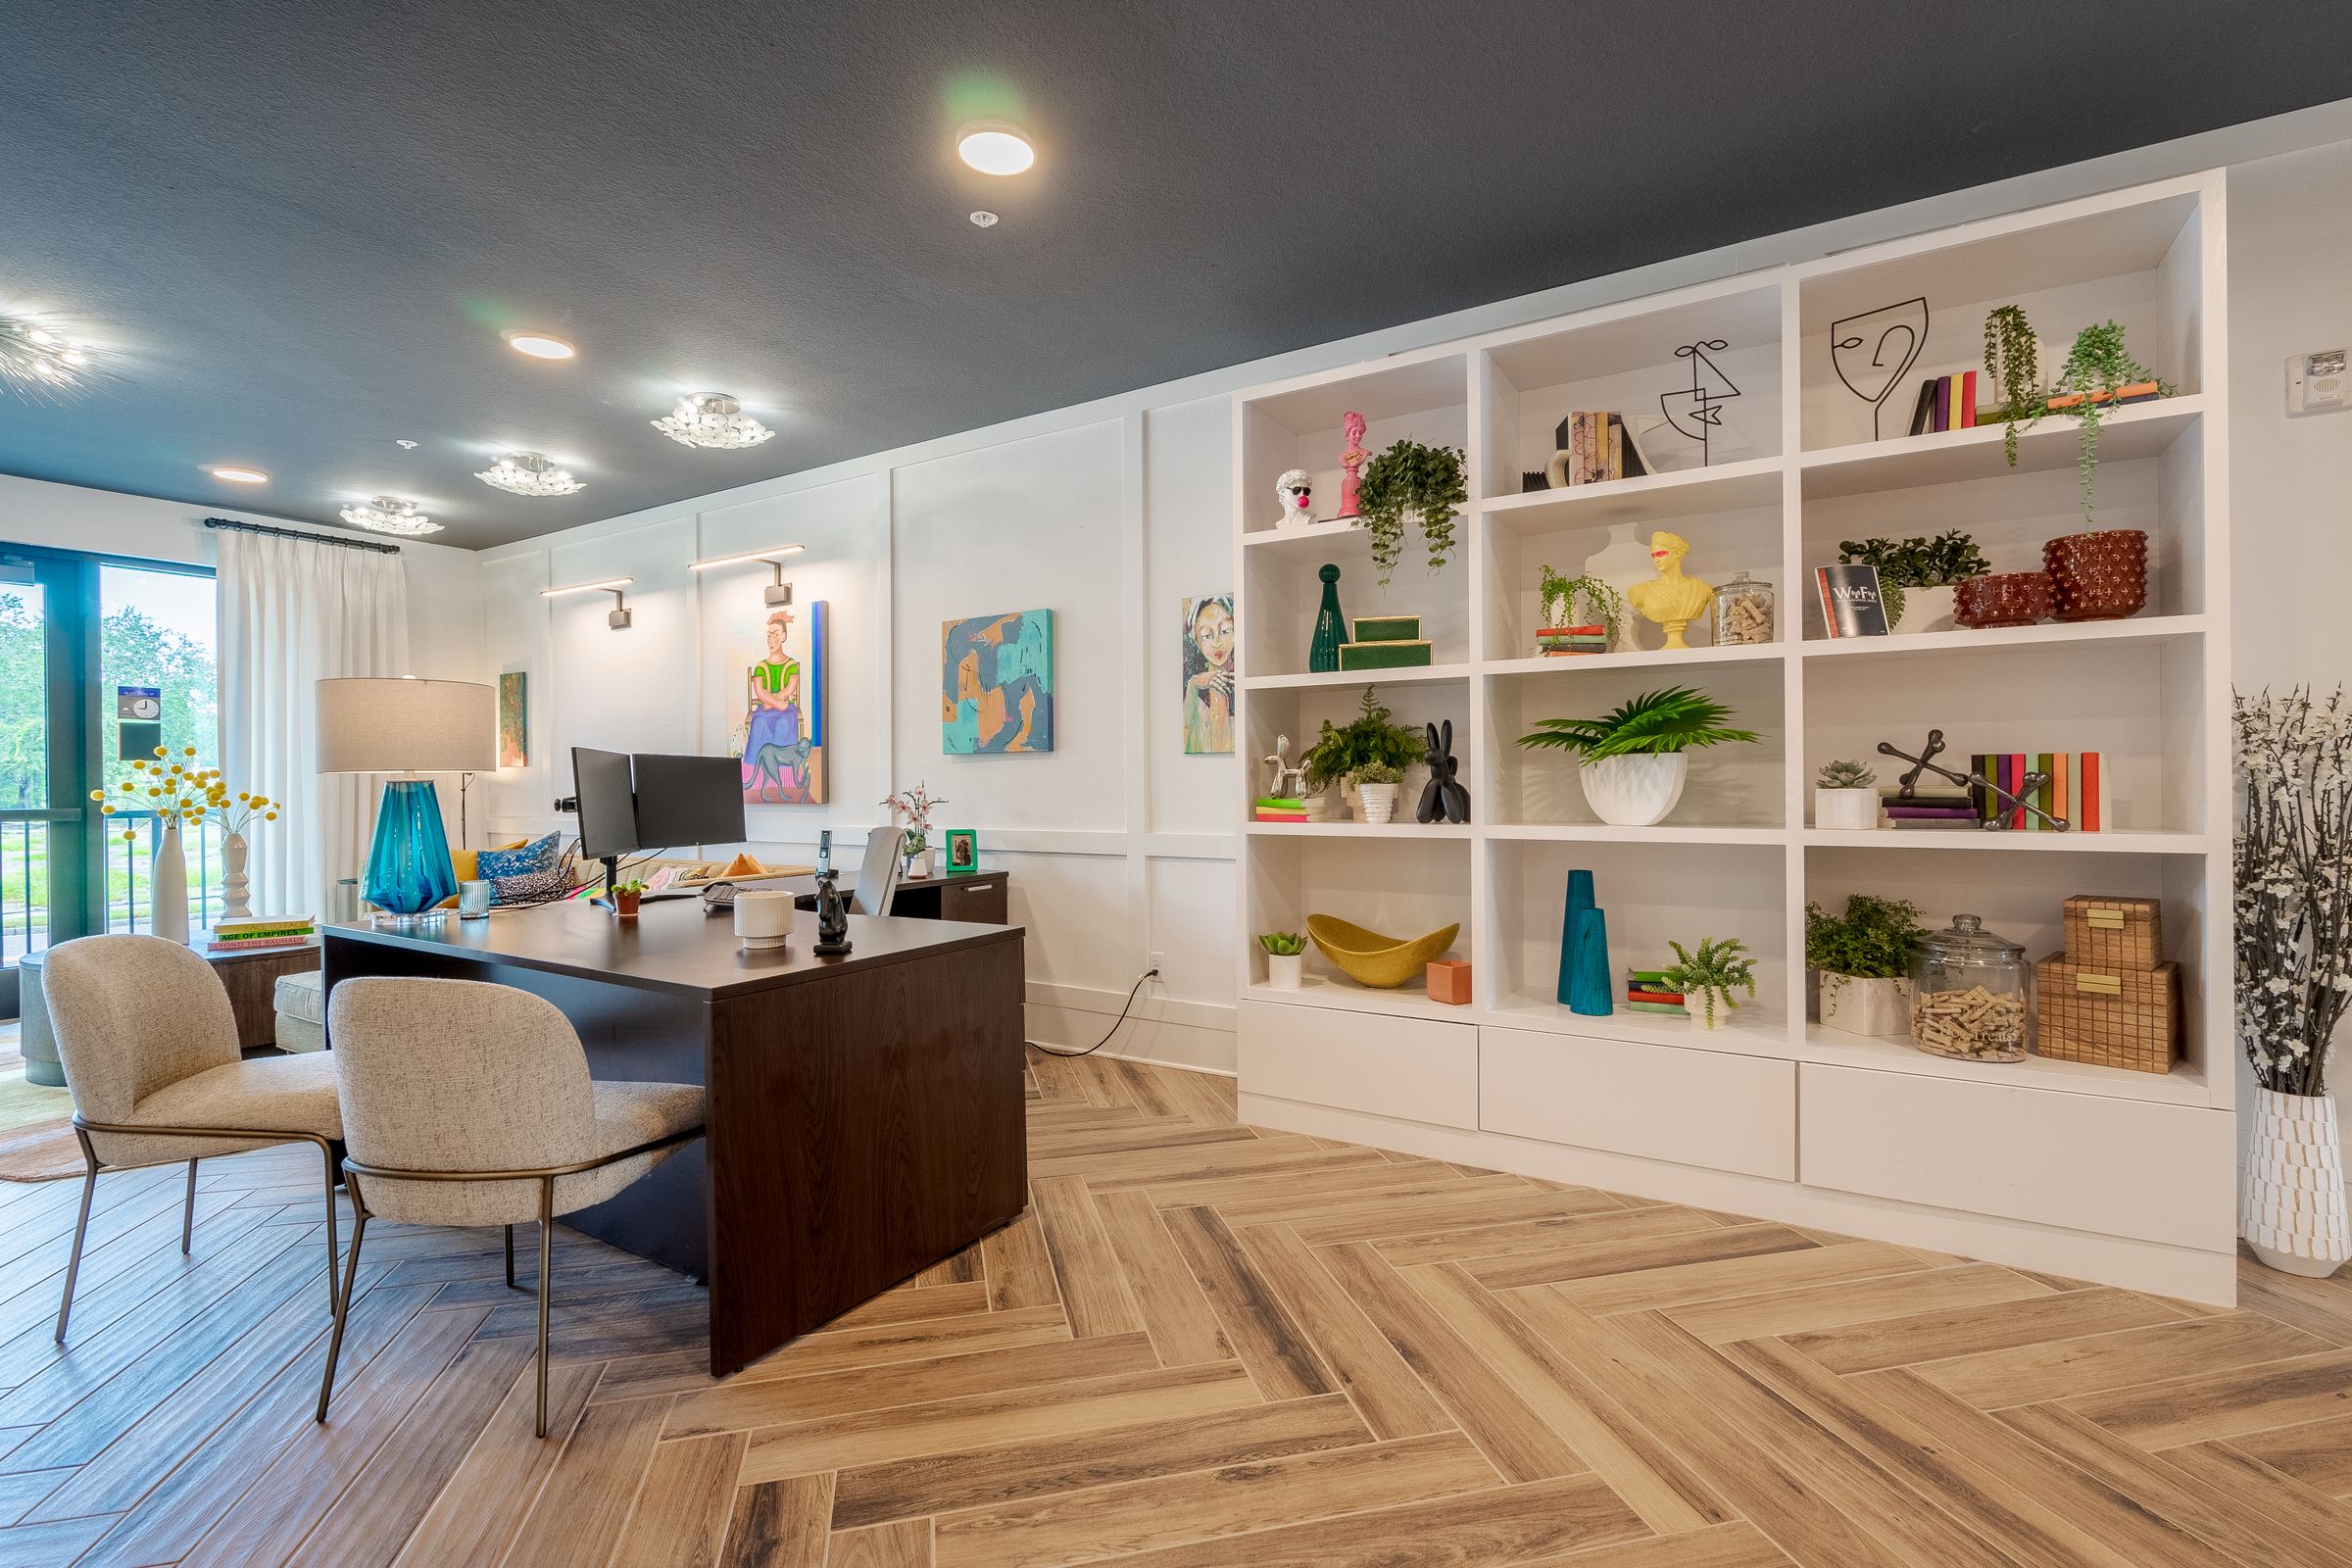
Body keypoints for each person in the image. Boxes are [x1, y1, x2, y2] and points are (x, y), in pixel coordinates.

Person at [741, 611, 805, 799]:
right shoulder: (761, 666)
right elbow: (760, 691)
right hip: (766, 709)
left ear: (783, 636)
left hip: (786, 710)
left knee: (784, 724)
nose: (771, 639)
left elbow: (790, 687)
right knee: (759, 723)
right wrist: (775, 703)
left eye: (776, 634)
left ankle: (785, 777)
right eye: (769, 635)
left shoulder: (791, 664)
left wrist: (776, 703)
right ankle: (755, 777)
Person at [1183, 597, 1235, 754]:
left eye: (1224, 631)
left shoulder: (1236, 685)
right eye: (1207, 635)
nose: (1217, 643)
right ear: (1197, 640)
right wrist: (1194, 684)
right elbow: (1187, 738)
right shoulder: (1194, 689)